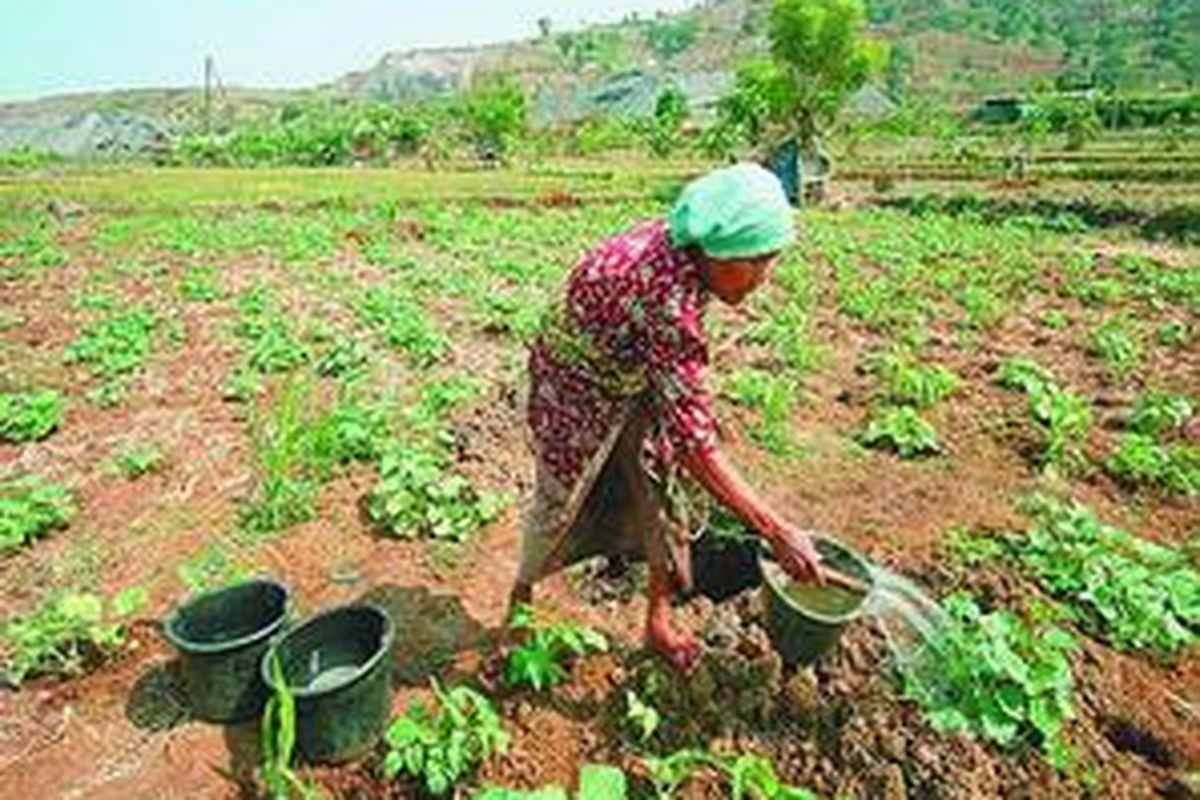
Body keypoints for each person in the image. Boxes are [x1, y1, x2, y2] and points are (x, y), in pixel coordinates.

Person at [510, 164, 826, 672]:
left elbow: (684, 422)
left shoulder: (685, 249)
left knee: (660, 490)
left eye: (772, 262)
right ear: (717, 252)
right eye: (756, 262)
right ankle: (518, 613)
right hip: (573, 382)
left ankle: (658, 621)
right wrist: (774, 528)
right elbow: (696, 444)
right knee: (559, 498)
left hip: (631, 368)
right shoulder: (667, 298)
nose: (763, 279)